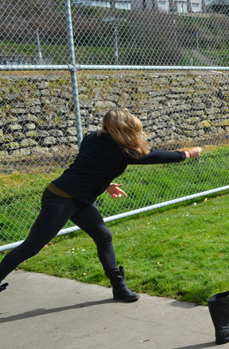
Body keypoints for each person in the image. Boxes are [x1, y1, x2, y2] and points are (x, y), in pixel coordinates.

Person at [0, 107, 202, 301]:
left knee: (103, 236)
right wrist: (187, 154)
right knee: (31, 247)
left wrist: (106, 184)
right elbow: (152, 156)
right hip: (61, 198)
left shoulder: (92, 138)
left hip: (79, 198)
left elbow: (92, 165)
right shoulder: (121, 150)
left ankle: (119, 288)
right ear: (123, 128)